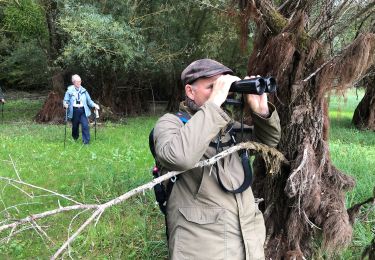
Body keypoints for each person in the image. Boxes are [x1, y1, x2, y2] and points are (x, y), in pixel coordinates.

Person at [152, 59, 281, 259]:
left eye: (223, 86)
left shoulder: (226, 129)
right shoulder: (171, 124)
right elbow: (178, 157)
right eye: (211, 86)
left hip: (247, 241)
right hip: (203, 247)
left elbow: (268, 141)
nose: (221, 92)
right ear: (190, 91)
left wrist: (261, 110)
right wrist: (214, 103)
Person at [63, 74, 99, 144]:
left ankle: (86, 142)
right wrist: (65, 104)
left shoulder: (84, 91)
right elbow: (65, 100)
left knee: (85, 126)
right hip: (74, 111)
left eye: (80, 81)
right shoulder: (69, 91)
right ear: (73, 82)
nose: (79, 83)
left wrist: (94, 105)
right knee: (75, 127)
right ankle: (75, 137)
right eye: (77, 82)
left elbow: (89, 101)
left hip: (83, 111)